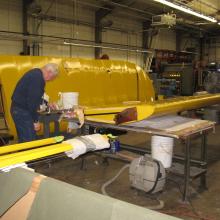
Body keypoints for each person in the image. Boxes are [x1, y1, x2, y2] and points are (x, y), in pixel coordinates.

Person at [10, 63, 59, 143]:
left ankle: (23, 154)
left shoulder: (35, 74)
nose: (49, 80)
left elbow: (37, 97)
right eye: (52, 77)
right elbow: (33, 102)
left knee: (25, 141)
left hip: (18, 110)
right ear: (49, 72)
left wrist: (47, 104)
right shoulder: (38, 78)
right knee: (29, 142)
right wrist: (35, 121)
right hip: (22, 111)